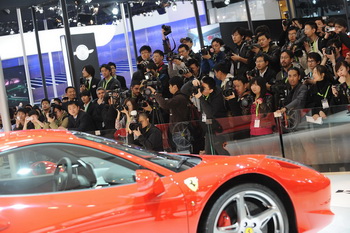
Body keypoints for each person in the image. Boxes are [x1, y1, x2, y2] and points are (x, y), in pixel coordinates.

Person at [193, 76, 229, 155]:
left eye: (204, 88)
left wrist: (201, 98)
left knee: (221, 153)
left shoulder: (218, 97)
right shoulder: (204, 94)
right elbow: (184, 90)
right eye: (202, 86)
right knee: (209, 153)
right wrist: (192, 82)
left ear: (211, 90)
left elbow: (210, 113)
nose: (202, 89)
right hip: (208, 129)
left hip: (218, 129)